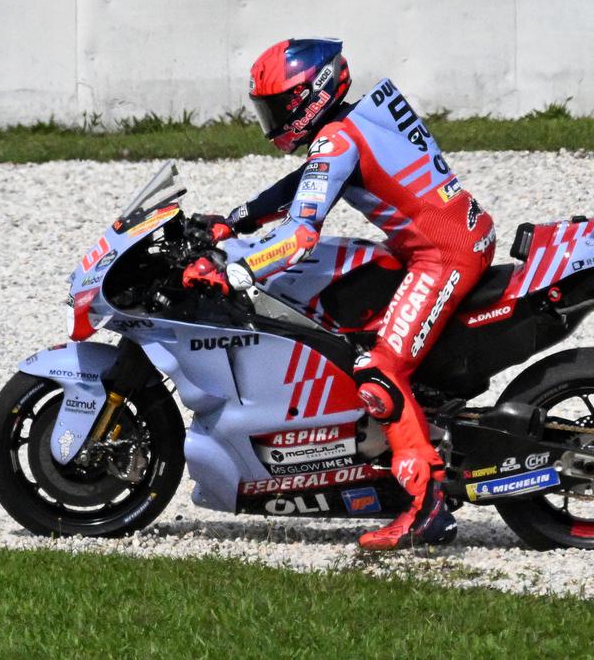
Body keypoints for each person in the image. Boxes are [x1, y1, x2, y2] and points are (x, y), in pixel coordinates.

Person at [182, 38, 496, 550]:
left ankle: (427, 509)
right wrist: (236, 220)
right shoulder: (353, 122)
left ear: (311, 96)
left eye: (278, 107)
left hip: (443, 255)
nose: (273, 121)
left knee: (378, 370)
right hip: (455, 237)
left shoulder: (336, 138)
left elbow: (300, 235)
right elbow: (306, 182)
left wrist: (235, 269)